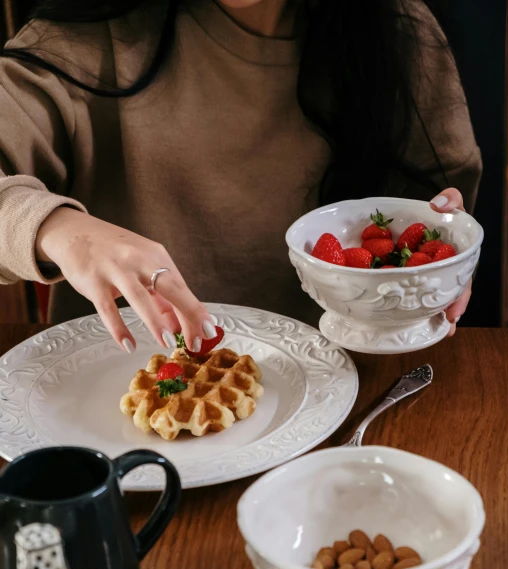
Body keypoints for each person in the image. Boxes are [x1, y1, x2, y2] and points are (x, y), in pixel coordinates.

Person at [0, 0, 481, 352]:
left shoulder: (400, 34)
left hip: (352, 399)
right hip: (111, 421)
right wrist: (56, 228)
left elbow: (435, 217)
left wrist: (445, 256)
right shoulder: (81, 41)